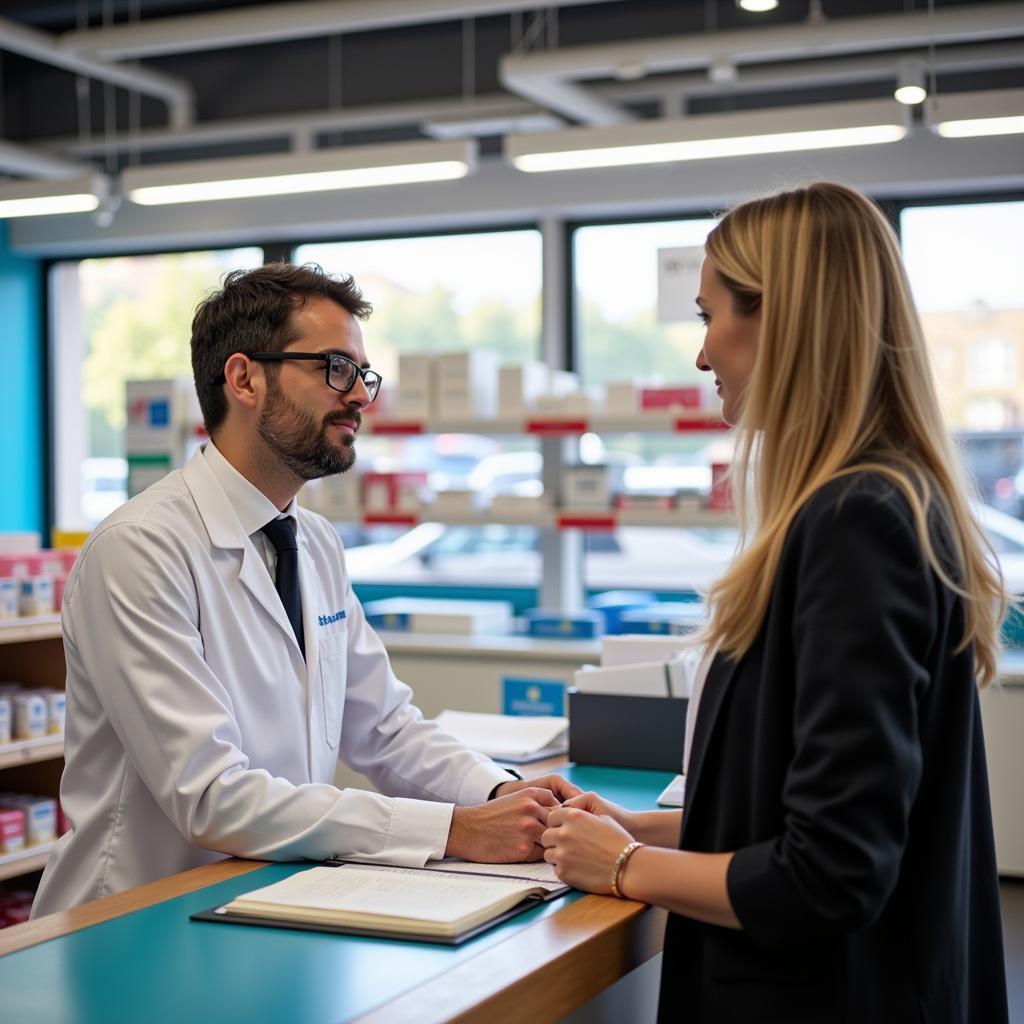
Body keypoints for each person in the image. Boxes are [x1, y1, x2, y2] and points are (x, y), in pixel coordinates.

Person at [540, 182, 1009, 1023]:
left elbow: (830, 874)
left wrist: (621, 869)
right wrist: (635, 833)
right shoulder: (863, 504)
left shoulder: (859, 522)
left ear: (784, 321)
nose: (702, 354)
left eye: (708, 315)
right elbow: (793, 823)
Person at [33, 263, 579, 917]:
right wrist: (454, 831)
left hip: (266, 896)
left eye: (362, 375)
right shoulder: (141, 549)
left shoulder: (314, 542)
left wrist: (503, 796)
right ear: (243, 378)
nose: (358, 397)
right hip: (134, 919)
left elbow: (383, 728)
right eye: (334, 368)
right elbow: (210, 797)